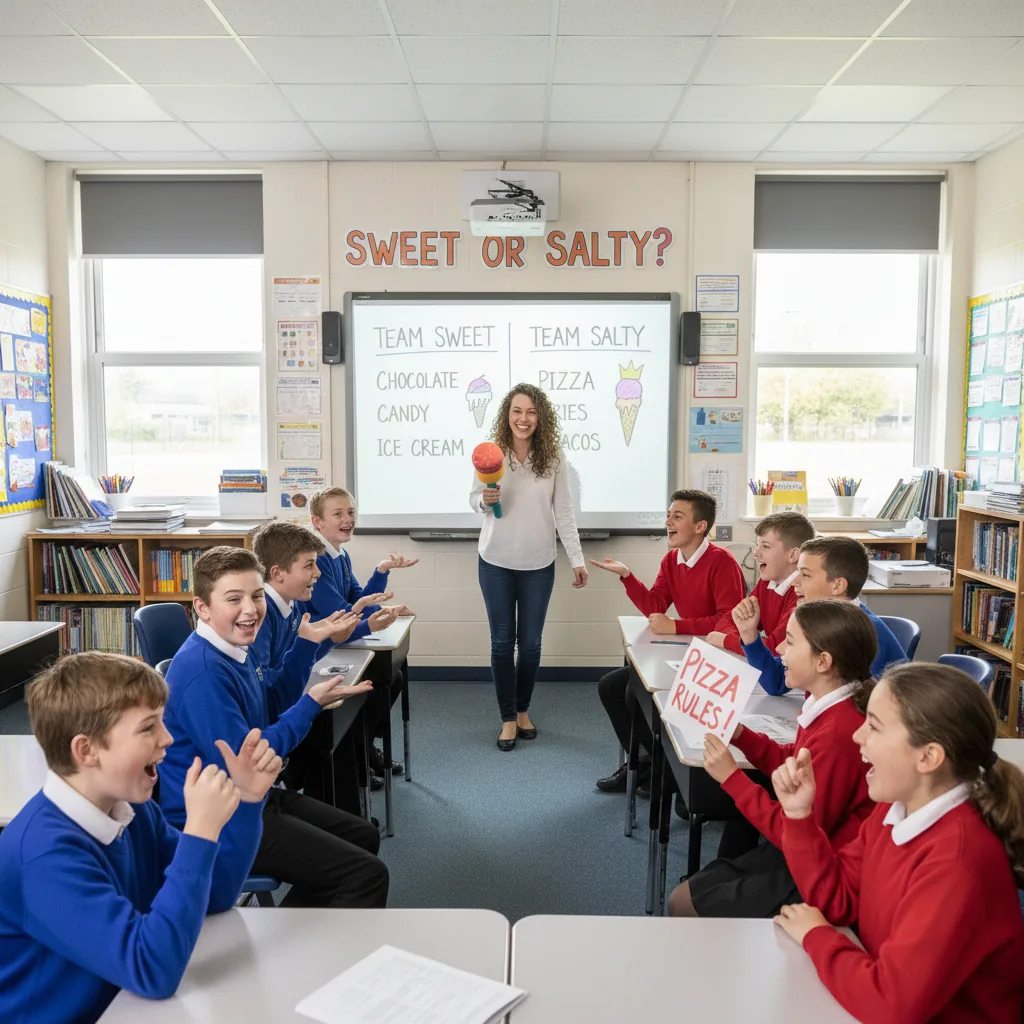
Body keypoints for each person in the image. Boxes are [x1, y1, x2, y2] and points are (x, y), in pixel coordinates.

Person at [0, 653, 282, 1024]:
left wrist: (245, 801)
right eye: (149, 727)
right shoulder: (44, 855)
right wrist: (199, 831)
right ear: (86, 750)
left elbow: (215, 894)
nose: (168, 738)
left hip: (125, 1007)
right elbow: (152, 970)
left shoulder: (132, 809)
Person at [773, 663, 1024, 1023]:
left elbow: (890, 1005)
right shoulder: (894, 810)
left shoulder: (956, 864)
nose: (857, 735)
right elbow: (837, 899)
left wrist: (817, 936)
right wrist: (799, 816)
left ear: (928, 757)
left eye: (874, 726)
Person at [159, 546, 389, 909]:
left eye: (256, 596)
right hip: (219, 818)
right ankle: (302, 943)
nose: (250, 609)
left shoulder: (235, 648)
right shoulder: (204, 673)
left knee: (364, 836)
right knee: (366, 875)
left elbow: (271, 704)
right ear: (202, 608)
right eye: (234, 599)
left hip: (251, 796)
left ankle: (296, 928)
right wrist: (310, 706)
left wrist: (306, 646)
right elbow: (253, 760)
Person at [668, 600, 875, 919]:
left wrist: (732, 779)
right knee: (685, 897)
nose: (778, 649)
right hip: (804, 849)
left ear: (823, 662)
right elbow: (795, 763)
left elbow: (802, 831)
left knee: (684, 903)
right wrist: (741, 735)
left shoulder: (837, 735)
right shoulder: (827, 705)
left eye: (790, 642)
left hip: (823, 867)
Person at [589, 489, 745, 794]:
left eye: (677, 516)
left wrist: (676, 625)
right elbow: (656, 605)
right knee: (611, 687)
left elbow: (729, 620)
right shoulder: (672, 559)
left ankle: (662, 771)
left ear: (700, 526)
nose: (668, 522)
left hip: (715, 659)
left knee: (635, 694)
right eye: (668, 515)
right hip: (685, 652)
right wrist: (627, 576)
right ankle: (645, 766)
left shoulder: (722, 562)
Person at [470, 383, 587, 751]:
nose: (524, 419)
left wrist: (577, 558)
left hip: (539, 563)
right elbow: (474, 499)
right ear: (507, 415)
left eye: (532, 412)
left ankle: (522, 711)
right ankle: (507, 718)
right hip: (495, 561)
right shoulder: (492, 453)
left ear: (541, 418)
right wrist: (485, 500)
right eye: (517, 411)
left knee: (531, 645)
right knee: (502, 643)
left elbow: (564, 512)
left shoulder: (553, 458)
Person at [307, 485, 412, 780]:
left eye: (351, 512)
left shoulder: (340, 554)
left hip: (340, 644)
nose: (348, 519)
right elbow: (343, 614)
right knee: (377, 686)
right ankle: (357, 756)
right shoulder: (316, 561)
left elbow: (359, 600)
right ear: (317, 522)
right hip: (322, 652)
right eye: (338, 514)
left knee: (393, 678)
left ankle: (363, 750)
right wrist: (371, 622)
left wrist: (381, 573)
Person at [734, 535, 907, 696]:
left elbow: (865, 709)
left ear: (837, 586)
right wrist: (749, 634)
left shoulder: (862, 636)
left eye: (805, 575)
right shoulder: (820, 623)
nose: (794, 582)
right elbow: (777, 681)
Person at [707, 510, 814, 654]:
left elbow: (776, 649)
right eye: (757, 545)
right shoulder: (767, 582)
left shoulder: (801, 594)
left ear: (793, 555)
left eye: (765, 546)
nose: (756, 553)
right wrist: (744, 640)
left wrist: (726, 641)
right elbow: (728, 621)